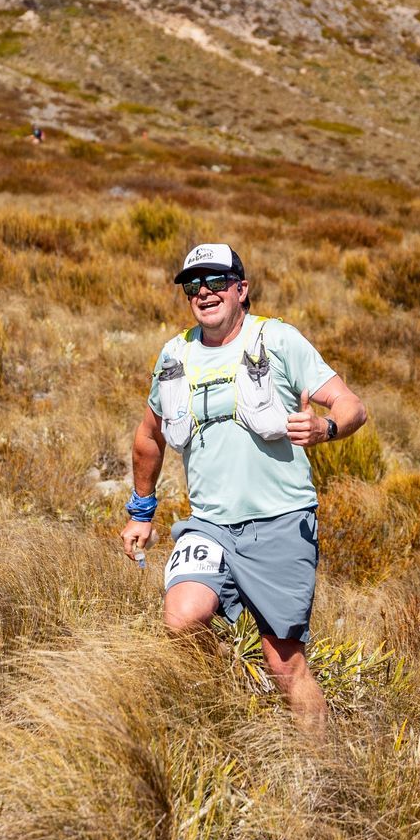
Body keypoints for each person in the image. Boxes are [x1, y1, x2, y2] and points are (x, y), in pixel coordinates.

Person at [119, 243, 367, 729]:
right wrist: (141, 511)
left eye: (215, 281)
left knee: (284, 662)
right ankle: (230, 708)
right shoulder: (175, 354)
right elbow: (149, 436)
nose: (204, 293)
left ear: (241, 289)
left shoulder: (277, 340)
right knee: (181, 618)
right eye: (193, 285)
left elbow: (351, 405)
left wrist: (326, 429)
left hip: (280, 521)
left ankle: (326, 771)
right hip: (209, 525)